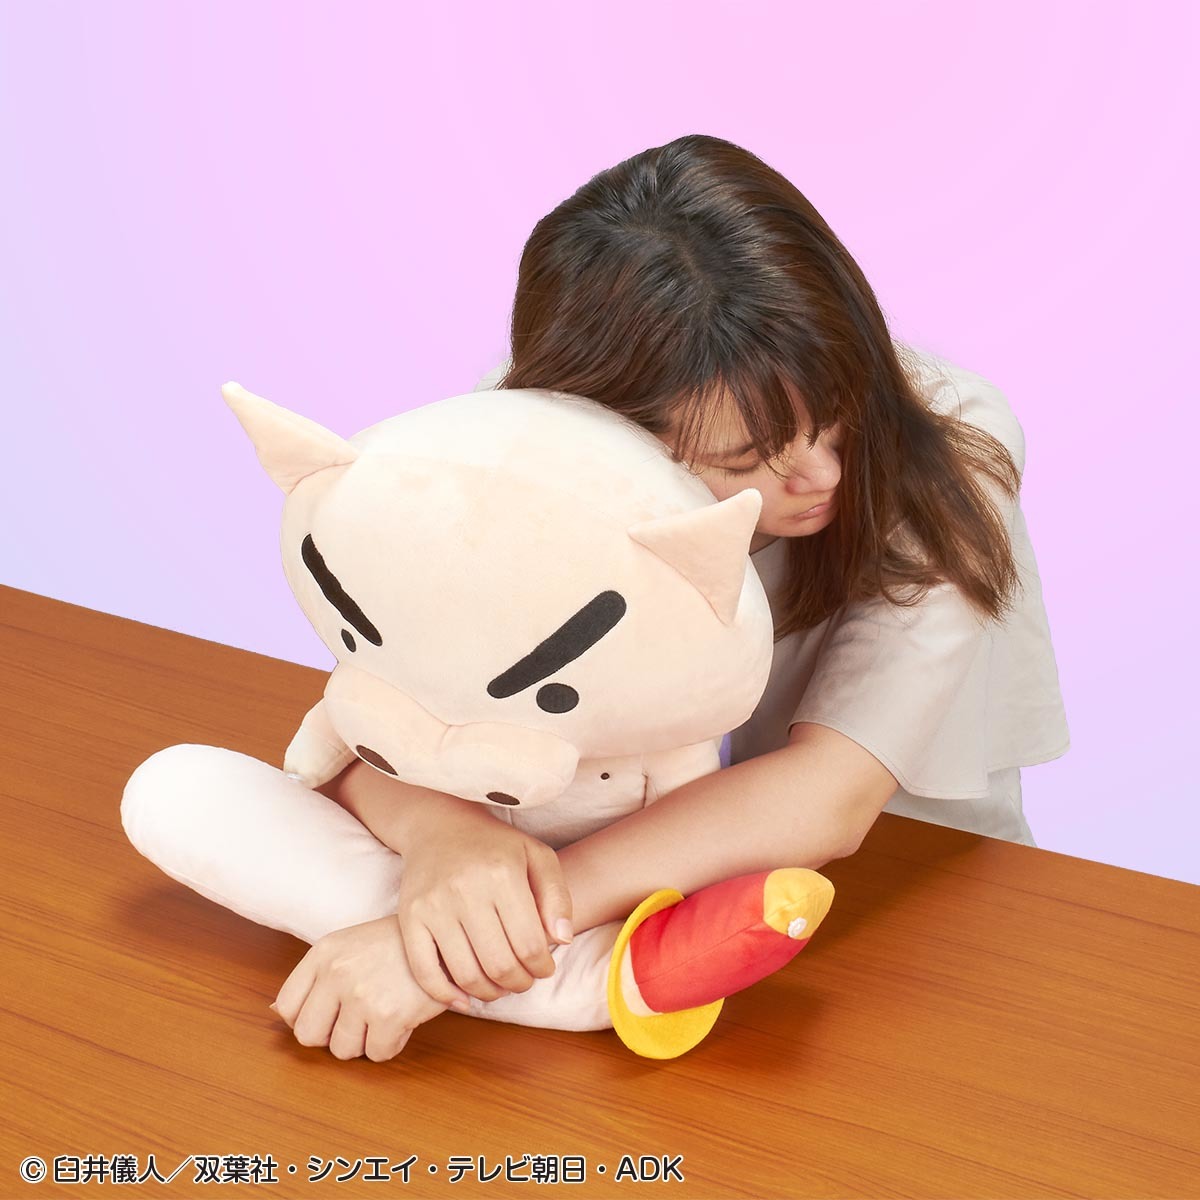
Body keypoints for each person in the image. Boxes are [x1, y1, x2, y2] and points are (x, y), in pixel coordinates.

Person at [306, 133, 1069, 1034]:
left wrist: (469, 937)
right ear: (606, 429)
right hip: (624, 888)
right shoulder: (536, 452)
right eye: (746, 460)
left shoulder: (951, 437)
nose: (821, 475)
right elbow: (380, 722)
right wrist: (448, 839)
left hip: (899, 901)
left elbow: (828, 797)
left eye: (836, 416)